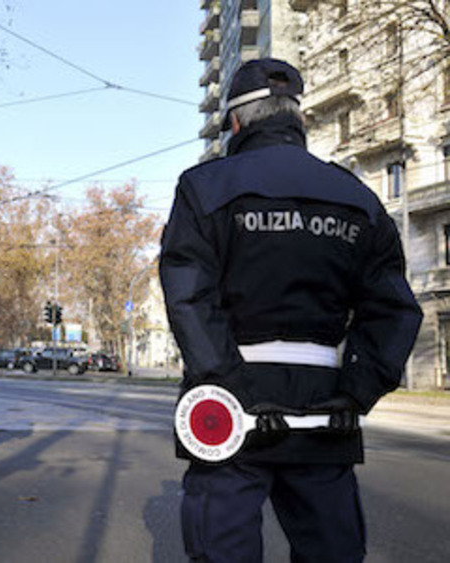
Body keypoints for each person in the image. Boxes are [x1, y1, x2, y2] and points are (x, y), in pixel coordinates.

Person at [160, 58, 423, 562]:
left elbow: (189, 295)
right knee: (331, 550)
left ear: (236, 122)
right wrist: (356, 391)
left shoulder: (203, 188)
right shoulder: (360, 200)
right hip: (325, 409)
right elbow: (394, 310)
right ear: (297, 119)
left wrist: (228, 384)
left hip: (232, 413)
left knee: (223, 550)